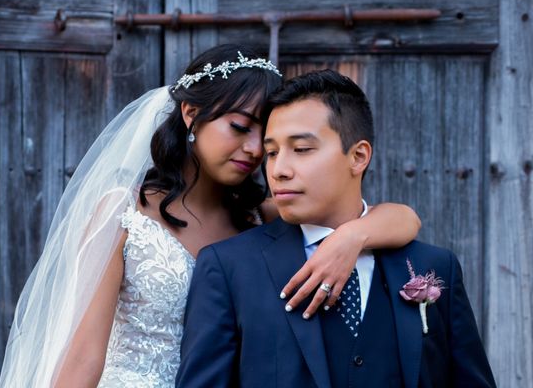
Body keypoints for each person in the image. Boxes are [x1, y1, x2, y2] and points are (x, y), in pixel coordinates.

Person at [0, 45, 420, 388]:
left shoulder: (261, 217)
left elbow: (405, 219)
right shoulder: (122, 211)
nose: (255, 150)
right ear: (191, 116)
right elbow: (83, 357)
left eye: (265, 137)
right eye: (240, 127)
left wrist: (353, 237)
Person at [176, 69, 496, 388]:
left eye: (301, 149)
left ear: (358, 157)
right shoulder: (230, 268)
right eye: (272, 153)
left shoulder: (436, 266)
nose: (279, 170)